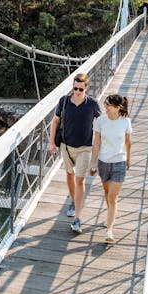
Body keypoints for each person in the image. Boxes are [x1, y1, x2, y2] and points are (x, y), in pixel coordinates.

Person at [48, 72, 101, 234]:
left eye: (80, 89)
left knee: (80, 180)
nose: (77, 92)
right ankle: (73, 200)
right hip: (66, 146)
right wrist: (51, 143)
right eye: (75, 88)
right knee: (69, 176)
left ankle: (78, 218)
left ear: (86, 88)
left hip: (85, 147)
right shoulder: (64, 101)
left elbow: (100, 126)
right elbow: (55, 121)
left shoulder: (92, 104)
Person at [89, 93, 131, 244]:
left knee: (113, 198)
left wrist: (128, 160)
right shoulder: (100, 121)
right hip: (103, 162)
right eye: (105, 104)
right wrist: (93, 163)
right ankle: (110, 216)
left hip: (119, 162)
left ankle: (109, 230)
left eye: (108, 105)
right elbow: (96, 144)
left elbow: (128, 143)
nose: (105, 107)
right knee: (107, 193)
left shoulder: (125, 122)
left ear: (117, 107)